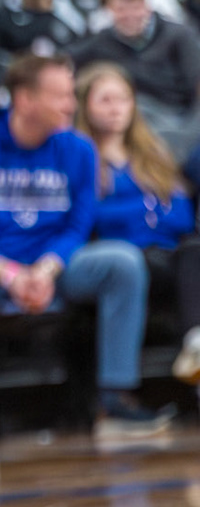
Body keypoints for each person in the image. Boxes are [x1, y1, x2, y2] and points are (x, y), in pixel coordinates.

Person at [0, 54, 166, 455]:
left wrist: (45, 271)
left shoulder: (79, 149)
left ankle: (115, 402)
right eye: (61, 96)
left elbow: (77, 228)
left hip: (56, 266)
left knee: (123, 262)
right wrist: (12, 276)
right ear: (25, 99)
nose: (71, 104)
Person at [76, 63, 200, 383]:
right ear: (85, 105)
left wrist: (135, 211)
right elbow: (90, 216)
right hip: (122, 257)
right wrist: (150, 207)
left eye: (123, 99)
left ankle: (195, 344)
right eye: (105, 100)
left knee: (195, 249)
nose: (116, 108)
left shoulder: (153, 152)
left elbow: (183, 214)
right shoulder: (80, 157)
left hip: (169, 254)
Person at [70, 0, 200, 112]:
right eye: (121, 9)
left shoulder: (179, 36)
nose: (129, 15)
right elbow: (65, 64)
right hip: (124, 118)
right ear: (109, 9)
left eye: (135, 7)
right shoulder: (100, 42)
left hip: (177, 117)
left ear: (147, 6)